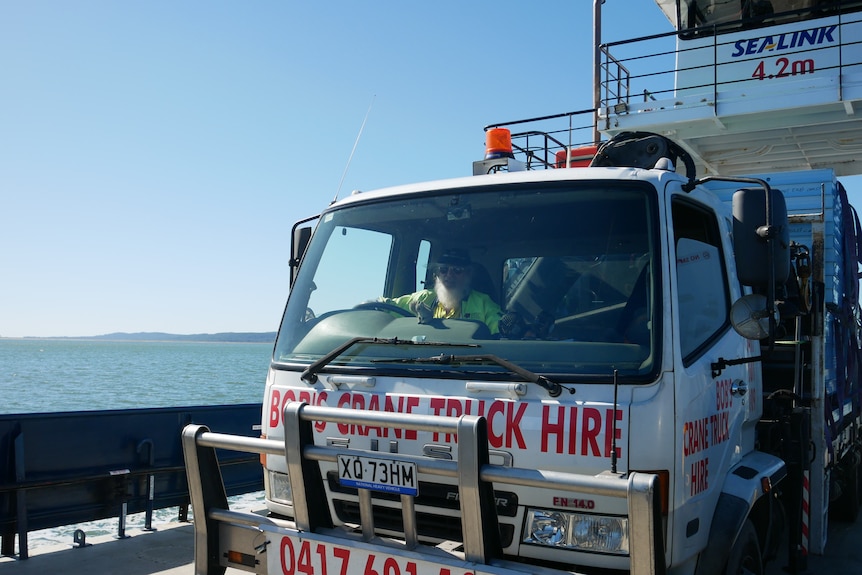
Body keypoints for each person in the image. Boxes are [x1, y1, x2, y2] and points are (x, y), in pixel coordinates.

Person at [384, 249, 503, 334]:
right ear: (437, 274)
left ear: (468, 275)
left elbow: (501, 330)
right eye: (444, 269)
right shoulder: (424, 297)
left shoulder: (483, 303)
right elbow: (385, 306)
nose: (449, 275)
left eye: (457, 270)